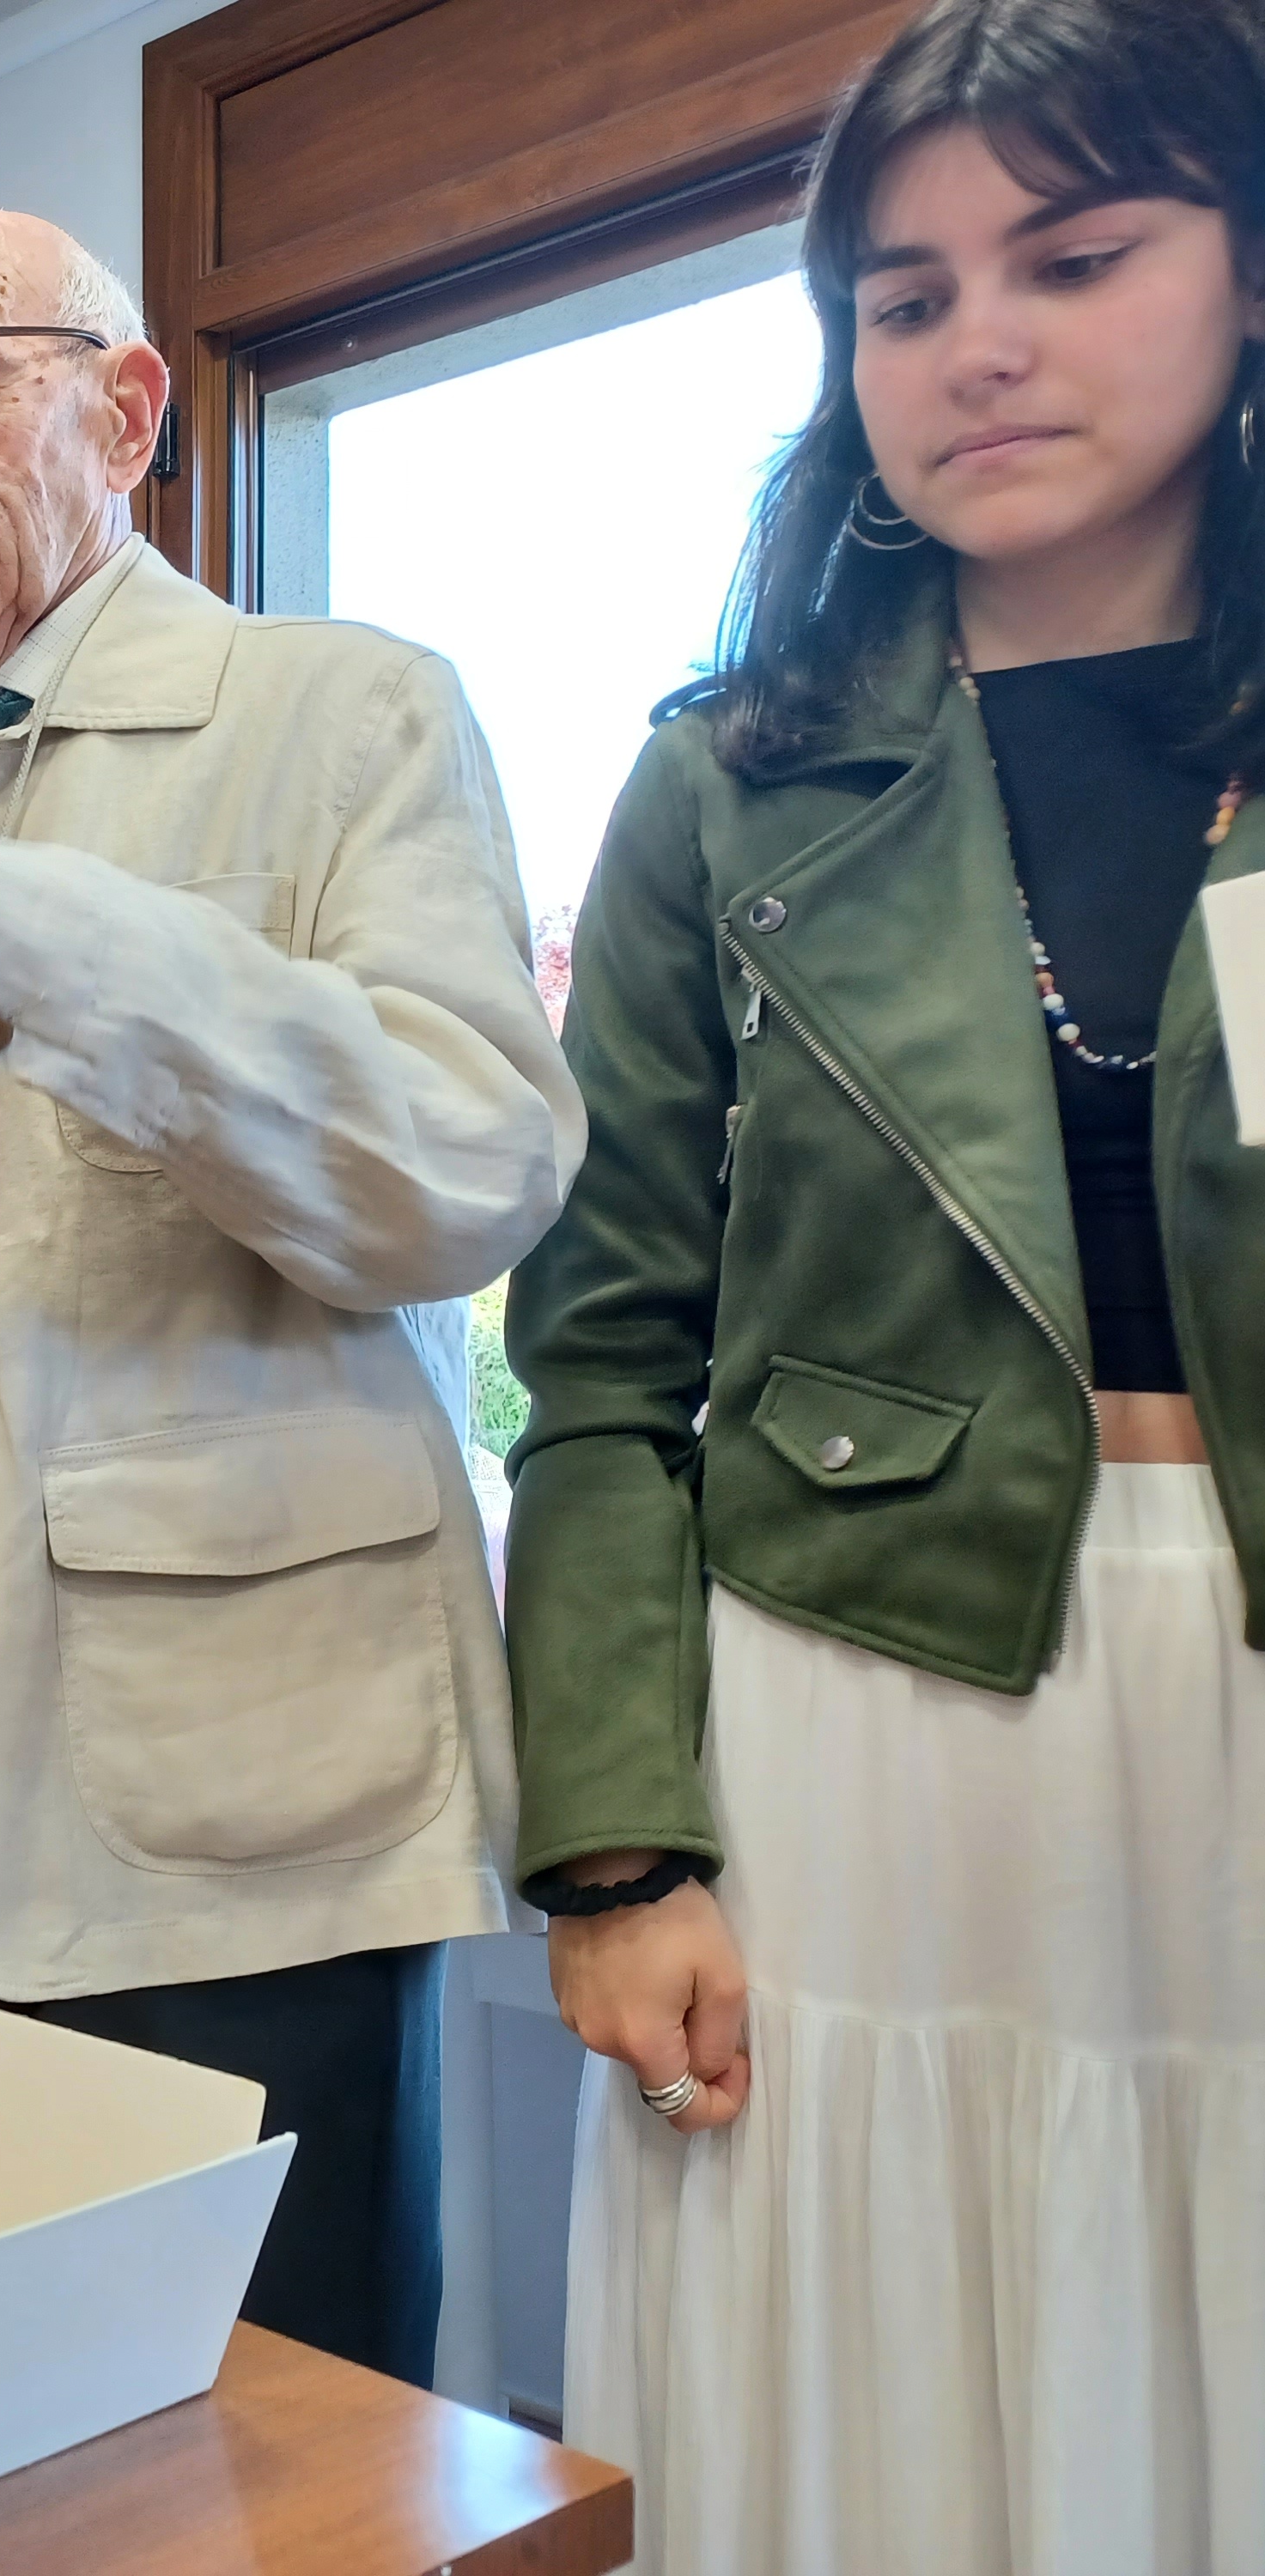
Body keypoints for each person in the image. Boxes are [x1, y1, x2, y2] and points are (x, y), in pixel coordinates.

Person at [0, 210, 581, 2383]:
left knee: (265, 2476)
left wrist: (36, 938)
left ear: (132, 408)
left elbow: (464, 1169)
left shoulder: (340, 713)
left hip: (218, 1824)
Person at [508, 2, 1265, 2564]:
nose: (982, 345)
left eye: (1071, 255)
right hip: (854, 1681)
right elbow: (599, 1348)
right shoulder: (722, 775)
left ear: (1243, 269)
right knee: (873, 2405)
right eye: (904, 293)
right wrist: (614, 1853)